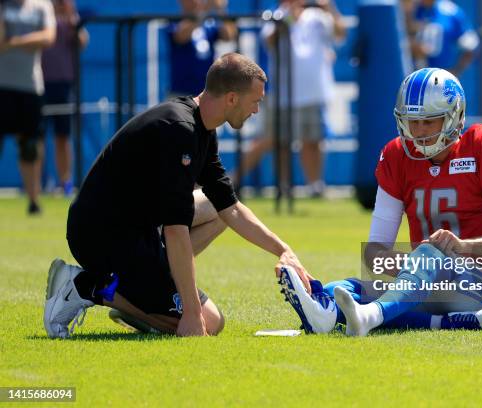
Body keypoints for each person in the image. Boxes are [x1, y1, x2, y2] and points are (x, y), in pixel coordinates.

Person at [44, 53, 314, 338]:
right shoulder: (180, 130)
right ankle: (86, 286)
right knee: (208, 323)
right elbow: (175, 230)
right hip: (101, 236)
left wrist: (283, 250)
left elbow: (230, 208)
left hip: (133, 230)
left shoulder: (202, 128)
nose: (257, 110)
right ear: (232, 99)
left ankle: (146, 292)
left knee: (217, 209)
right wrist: (191, 312)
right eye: (255, 101)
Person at [278, 67, 482, 335]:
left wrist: (462, 247)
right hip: (425, 284)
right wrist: (413, 269)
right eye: (412, 120)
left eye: (429, 121)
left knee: (430, 254)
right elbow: (375, 251)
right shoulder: (396, 156)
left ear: (454, 117)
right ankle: (332, 315)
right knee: (339, 290)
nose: (418, 131)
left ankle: (369, 315)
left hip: (481, 285)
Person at [239, 0, 346, 197]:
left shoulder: (319, 16)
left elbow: (340, 34)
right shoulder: (277, 16)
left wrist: (329, 7)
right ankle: (282, 186)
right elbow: (270, 41)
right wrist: (289, 17)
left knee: (313, 140)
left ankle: (315, 186)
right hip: (284, 93)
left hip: (314, 91)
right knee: (278, 142)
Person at [0, 0, 56, 214]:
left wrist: (14, 42)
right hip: (2, 86)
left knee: (30, 146)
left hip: (30, 86)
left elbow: (48, 37)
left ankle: (33, 201)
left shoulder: (42, 6)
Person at [42, 0, 88, 196]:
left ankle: (65, 183)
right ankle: (38, 183)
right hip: (39, 83)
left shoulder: (71, 16)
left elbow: (83, 42)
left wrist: (70, 19)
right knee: (36, 137)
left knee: (63, 136)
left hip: (63, 84)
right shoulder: (40, 11)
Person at [166, 0, 236, 97]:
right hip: (181, 92)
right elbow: (181, 36)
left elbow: (228, 35)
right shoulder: (175, 21)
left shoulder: (209, 22)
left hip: (206, 92)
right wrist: (206, 8)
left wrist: (221, 9)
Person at [403, 0, 479, 77]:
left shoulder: (451, 11)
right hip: (410, 78)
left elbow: (470, 47)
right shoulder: (409, 8)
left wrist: (455, 72)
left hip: (441, 79)